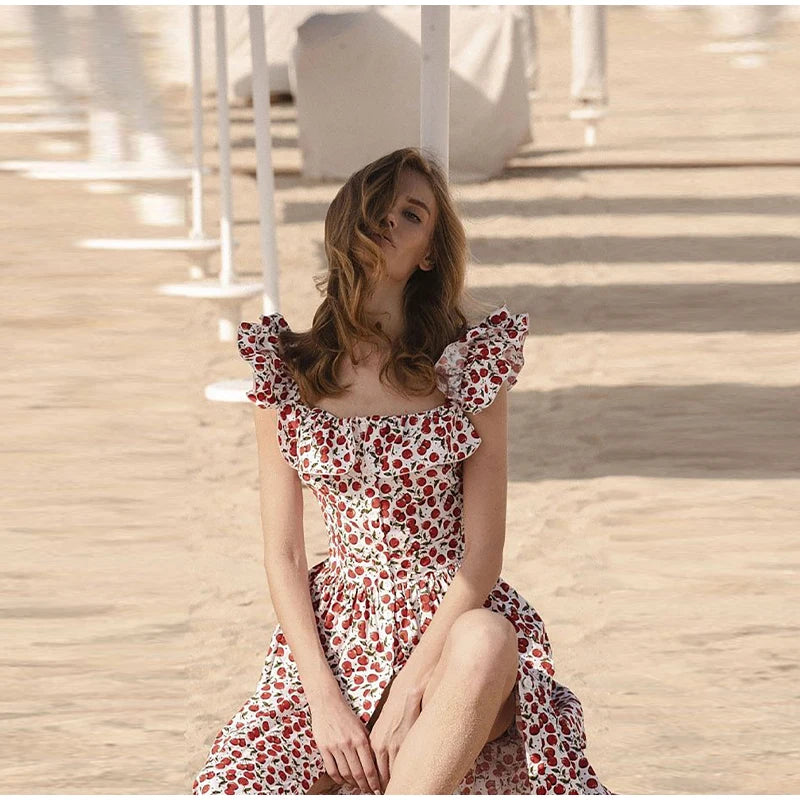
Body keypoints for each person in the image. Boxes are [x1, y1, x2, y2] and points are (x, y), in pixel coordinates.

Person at [192, 147, 613, 795]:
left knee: (487, 636)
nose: (388, 221)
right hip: (335, 635)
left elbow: (484, 554)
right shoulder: (287, 370)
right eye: (376, 207)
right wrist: (325, 700)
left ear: (429, 253)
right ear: (344, 223)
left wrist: (409, 693)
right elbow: (282, 553)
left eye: (411, 214)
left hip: (448, 629)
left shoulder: (469, 369)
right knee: (232, 784)